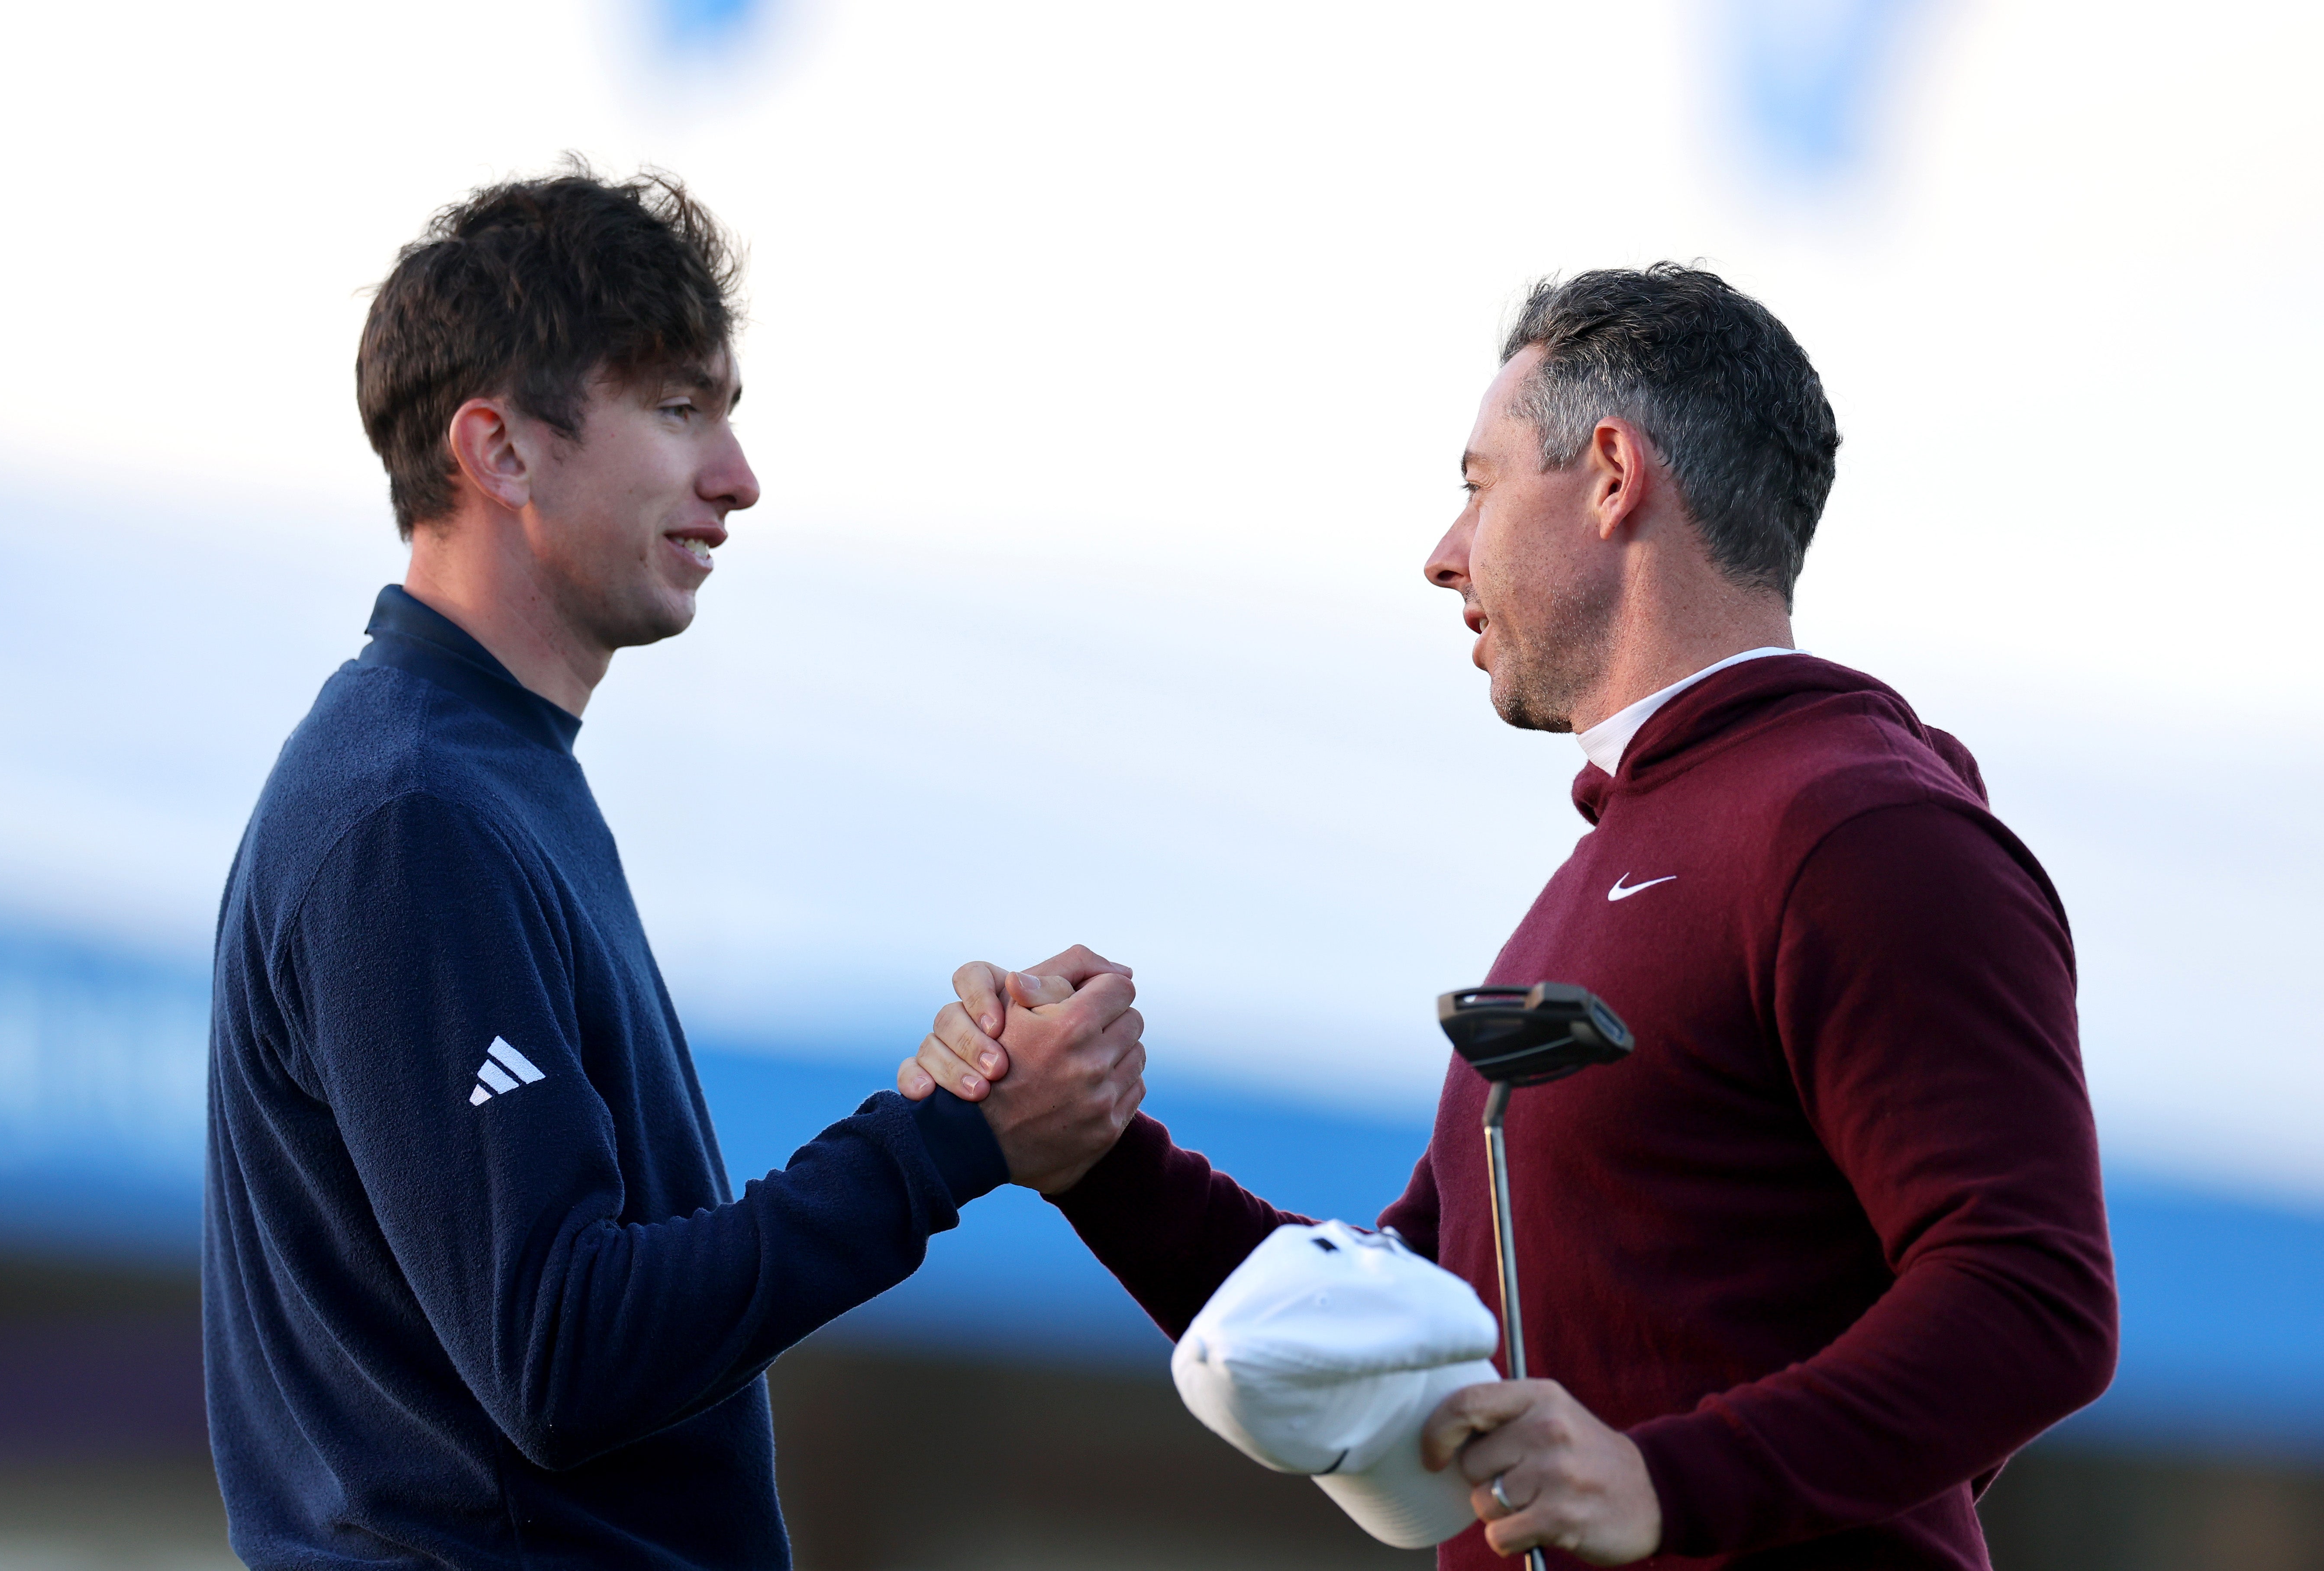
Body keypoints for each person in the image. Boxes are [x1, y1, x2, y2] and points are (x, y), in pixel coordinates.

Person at [902, 265, 2120, 1569]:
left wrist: (1667, 1479)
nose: (1441, 553)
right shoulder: (1625, 857)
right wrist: (1091, 1153)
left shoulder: (1859, 831)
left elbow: (2033, 1294)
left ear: (1610, 475)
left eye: (1477, 484)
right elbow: (1388, 1331)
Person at [202, 162, 1145, 1570]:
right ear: (502, 453)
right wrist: (952, 1140)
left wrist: (956, 1106)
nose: (738, 478)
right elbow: (563, 1352)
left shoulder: (477, 772)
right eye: (678, 407)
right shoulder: (415, 810)